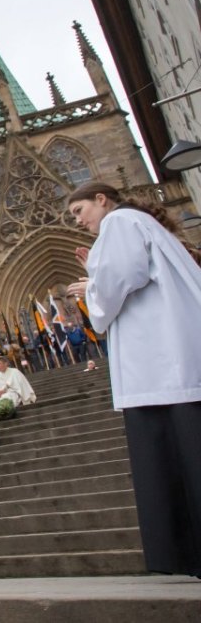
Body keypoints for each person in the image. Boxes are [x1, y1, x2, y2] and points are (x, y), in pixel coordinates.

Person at [65, 181, 201, 577]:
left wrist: (93, 286)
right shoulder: (139, 223)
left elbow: (118, 284)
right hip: (171, 360)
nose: (79, 221)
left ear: (101, 200)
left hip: (161, 365)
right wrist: (98, 271)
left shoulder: (120, 223)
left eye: (79, 211)